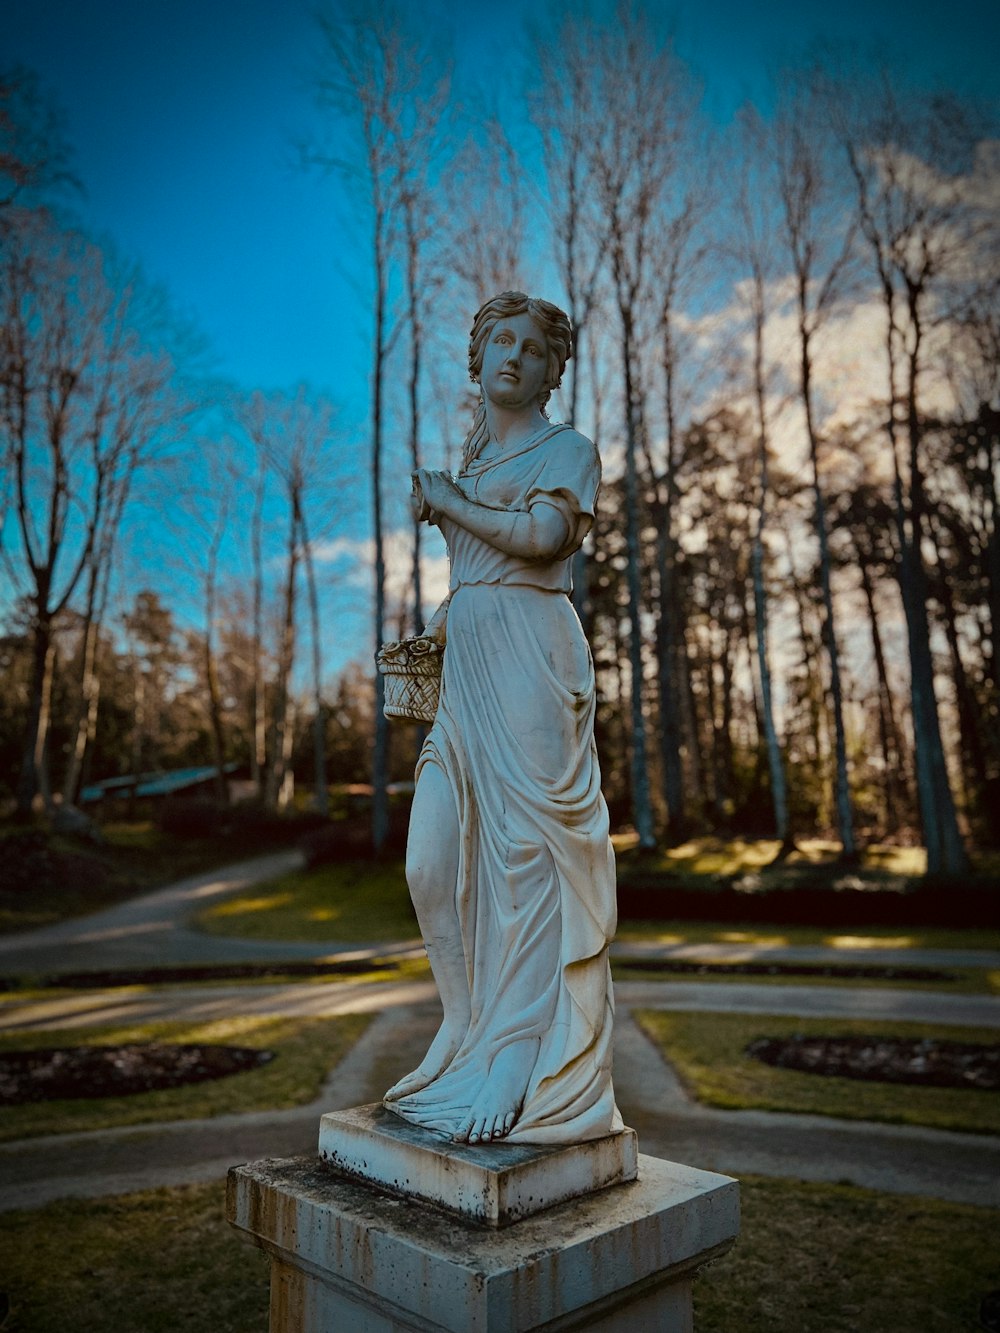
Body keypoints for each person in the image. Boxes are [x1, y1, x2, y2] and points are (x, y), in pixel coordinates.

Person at [384, 291, 621, 1147]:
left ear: (554, 372)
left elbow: (543, 539)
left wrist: (446, 501)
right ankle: (464, 1020)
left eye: (532, 348)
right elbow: (479, 572)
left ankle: (520, 1052)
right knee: (431, 861)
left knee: (528, 863)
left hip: (532, 656)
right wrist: (439, 627)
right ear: (478, 359)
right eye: (500, 342)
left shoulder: (568, 451)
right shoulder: (476, 465)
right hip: (469, 666)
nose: (514, 357)